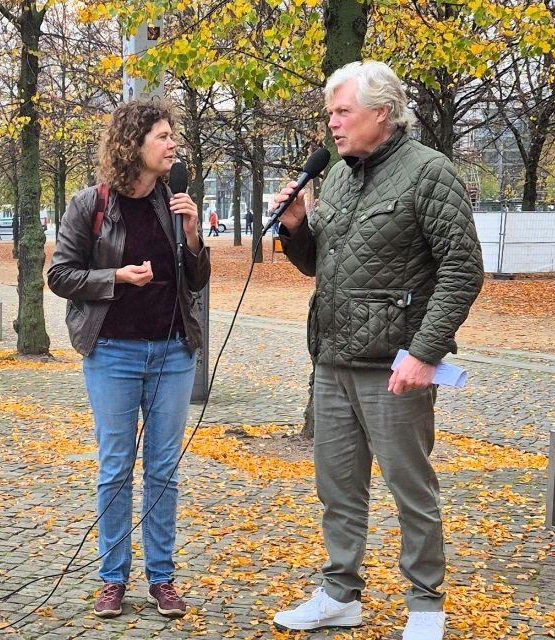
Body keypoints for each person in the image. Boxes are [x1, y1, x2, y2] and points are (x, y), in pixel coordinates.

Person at [270, 61, 482, 640]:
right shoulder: (336, 177)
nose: (332, 125)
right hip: (332, 361)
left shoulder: (428, 174)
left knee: (410, 488)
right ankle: (340, 593)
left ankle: (425, 605)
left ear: (382, 114)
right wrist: (295, 229)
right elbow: (320, 265)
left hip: (396, 368)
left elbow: (462, 270)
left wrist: (424, 351)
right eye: (330, 113)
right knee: (337, 488)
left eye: (344, 112)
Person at [48, 99, 210, 620]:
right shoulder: (88, 204)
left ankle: (162, 577)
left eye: (172, 136)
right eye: (162, 136)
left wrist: (192, 239)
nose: (172, 145)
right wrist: (115, 277)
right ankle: (112, 578)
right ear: (133, 145)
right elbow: (60, 276)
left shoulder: (174, 201)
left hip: (172, 354)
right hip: (112, 352)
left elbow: (198, 280)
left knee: (163, 469)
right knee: (116, 468)